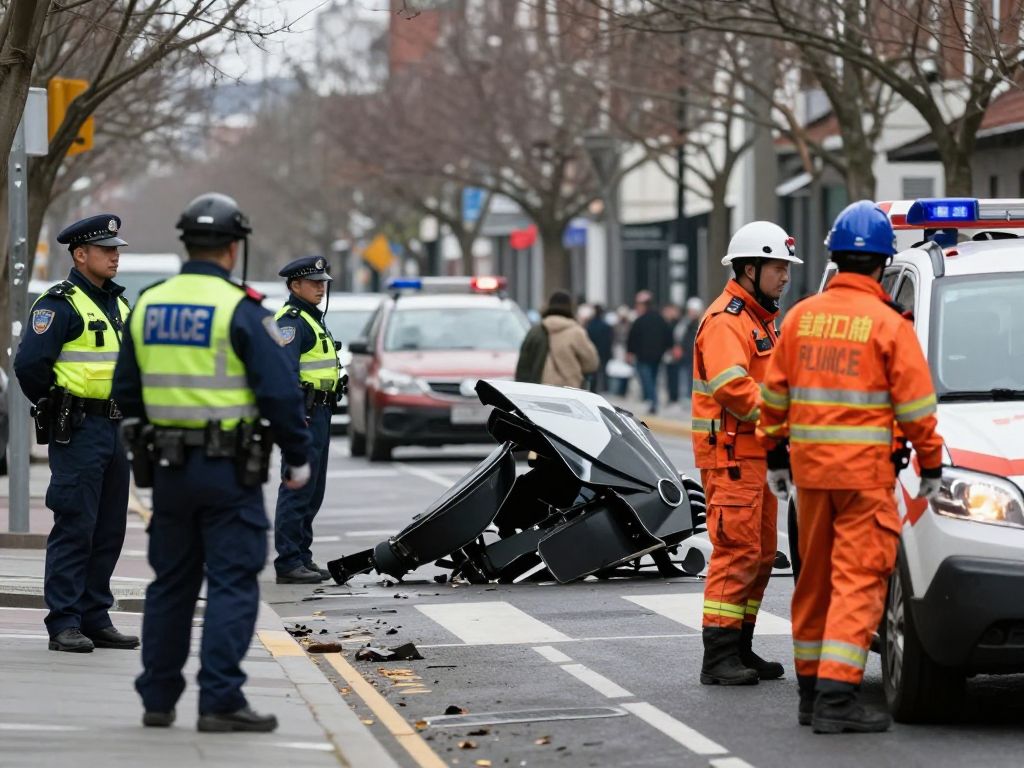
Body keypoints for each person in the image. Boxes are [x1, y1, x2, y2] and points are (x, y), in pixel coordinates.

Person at [111, 192, 312, 733]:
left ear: (186, 243)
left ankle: (157, 699)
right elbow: (280, 394)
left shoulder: (149, 303)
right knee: (231, 582)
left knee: (171, 583)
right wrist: (299, 457)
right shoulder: (240, 307)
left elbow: (124, 389)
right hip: (230, 472)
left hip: (169, 471)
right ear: (233, 248)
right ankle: (220, 700)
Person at [758, 201, 944, 733]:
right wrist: (930, 465)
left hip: (810, 478)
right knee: (859, 581)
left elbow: (773, 398)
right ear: (883, 263)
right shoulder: (889, 324)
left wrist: (776, 458)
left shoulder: (799, 318)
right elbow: (915, 408)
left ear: (836, 258)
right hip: (865, 478)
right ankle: (837, 702)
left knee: (813, 580)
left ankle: (811, 693)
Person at [14, 213, 139, 654]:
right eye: (106, 250)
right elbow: (29, 365)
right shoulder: (58, 304)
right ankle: (64, 620)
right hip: (81, 428)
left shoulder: (121, 304)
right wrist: (56, 405)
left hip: (116, 427)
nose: (114, 257)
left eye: (116, 250)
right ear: (80, 254)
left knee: (109, 528)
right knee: (75, 524)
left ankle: (95, 615)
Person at [691, 221, 802, 687]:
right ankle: (717, 656)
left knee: (758, 555)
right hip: (733, 457)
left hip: (755, 455)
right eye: (778, 267)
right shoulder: (727, 321)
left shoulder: (760, 321)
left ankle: (740, 646)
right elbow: (732, 388)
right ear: (750, 268)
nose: (785, 276)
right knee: (736, 552)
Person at [273, 256, 342, 585]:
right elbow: (283, 374)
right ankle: (288, 560)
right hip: (305, 413)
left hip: (320, 412)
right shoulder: (292, 321)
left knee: (313, 489)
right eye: (313, 282)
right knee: (297, 486)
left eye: (322, 281)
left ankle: (301, 555)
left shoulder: (312, 319)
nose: (320, 287)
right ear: (294, 285)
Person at [538, 290, 599, 388]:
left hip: (541, 388)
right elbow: (592, 363)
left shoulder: (538, 330)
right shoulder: (576, 332)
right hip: (570, 388)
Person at [626, 290, 673, 413]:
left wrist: (630, 352)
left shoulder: (640, 321)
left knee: (648, 381)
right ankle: (652, 401)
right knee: (653, 380)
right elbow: (668, 335)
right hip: (657, 356)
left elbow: (632, 337)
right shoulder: (660, 319)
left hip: (644, 357)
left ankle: (653, 402)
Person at [675, 297, 704, 399]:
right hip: (687, 355)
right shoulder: (685, 323)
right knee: (685, 377)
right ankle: (687, 397)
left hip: (697, 355)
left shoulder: (702, 322)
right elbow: (678, 335)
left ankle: (693, 397)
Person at [585, 304, 613, 392]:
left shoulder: (589, 326)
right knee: (603, 372)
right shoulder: (606, 326)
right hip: (603, 352)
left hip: (592, 352)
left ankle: (594, 389)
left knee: (593, 373)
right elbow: (609, 341)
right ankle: (605, 388)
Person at [660, 303, 683, 404]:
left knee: (675, 376)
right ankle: (671, 396)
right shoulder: (666, 323)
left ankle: (674, 396)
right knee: (669, 376)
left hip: (675, 352)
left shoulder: (677, 324)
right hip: (669, 353)